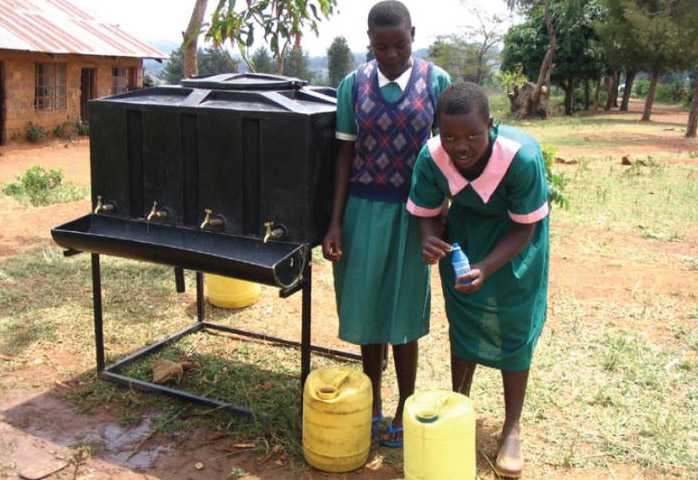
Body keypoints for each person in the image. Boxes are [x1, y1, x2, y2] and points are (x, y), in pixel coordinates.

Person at [322, 0, 451, 448]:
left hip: (415, 216)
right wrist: (335, 222)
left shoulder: (436, 82)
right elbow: (344, 155)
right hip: (361, 210)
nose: (391, 54)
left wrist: (440, 221)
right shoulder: (352, 86)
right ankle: (373, 402)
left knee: (404, 312)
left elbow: (445, 158)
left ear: (412, 34)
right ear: (369, 43)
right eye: (381, 47)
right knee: (367, 310)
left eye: (399, 44)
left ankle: (405, 406)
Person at [407, 82, 550, 478]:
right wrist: (428, 239)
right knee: (465, 320)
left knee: (513, 325)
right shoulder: (432, 156)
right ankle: (460, 405)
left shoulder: (521, 158)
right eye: (450, 136)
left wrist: (487, 267)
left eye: (473, 134)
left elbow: (525, 230)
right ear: (437, 131)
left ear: (492, 125)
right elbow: (424, 210)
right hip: (466, 237)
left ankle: (512, 427)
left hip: (514, 243)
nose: (461, 146)